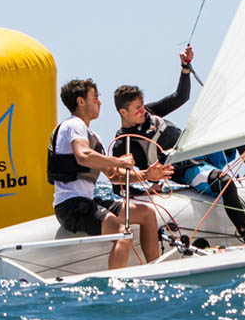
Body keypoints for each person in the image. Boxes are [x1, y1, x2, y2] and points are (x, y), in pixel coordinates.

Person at [112, 46, 245, 245]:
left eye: (142, 105)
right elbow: (118, 184)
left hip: (200, 151)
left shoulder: (150, 112)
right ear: (123, 112)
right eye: (137, 109)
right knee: (226, 184)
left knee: (239, 138)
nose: (143, 111)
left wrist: (185, 67)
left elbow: (181, 97)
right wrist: (149, 191)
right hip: (188, 169)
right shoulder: (123, 143)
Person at [48, 78, 173, 270]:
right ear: (81, 101)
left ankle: (154, 269)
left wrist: (146, 175)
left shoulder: (92, 136)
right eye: (95, 98)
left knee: (146, 213)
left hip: (88, 201)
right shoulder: (73, 125)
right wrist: (118, 160)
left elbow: (114, 175)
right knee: (123, 234)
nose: (99, 102)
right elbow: (83, 156)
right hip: (71, 206)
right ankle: (115, 284)